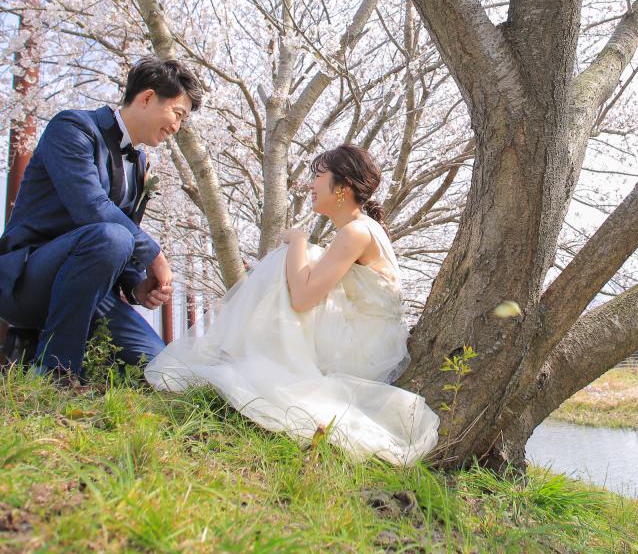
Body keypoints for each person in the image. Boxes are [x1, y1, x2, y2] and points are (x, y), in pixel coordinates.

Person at [145, 144, 439, 466]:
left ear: (343, 187)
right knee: (302, 258)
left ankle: (243, 353)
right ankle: (248, 354)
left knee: (294, 255)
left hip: (366, 349)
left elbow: (302, 299)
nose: (311, 185)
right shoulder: (360, 228)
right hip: (368, 339)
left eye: (319, 176)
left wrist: (298, 241)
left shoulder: (356, 231)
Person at [0, 57, 204, 383]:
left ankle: (39, 350)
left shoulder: (138, 163)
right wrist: (154, 255)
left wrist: (136, 286)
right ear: (147, 98)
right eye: (178, 114)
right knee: (113, 237)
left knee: (159, 370)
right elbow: (91, 209)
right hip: (28, 279)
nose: (177, 126)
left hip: (90, 292)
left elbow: (120, 237)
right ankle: (56, 373)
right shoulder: (73, 128)